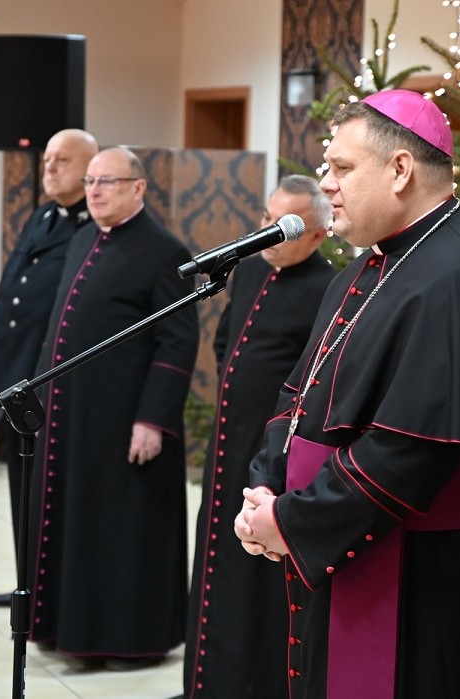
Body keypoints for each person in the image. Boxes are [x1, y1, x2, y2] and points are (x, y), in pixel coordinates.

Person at [233, 89, 460, 699]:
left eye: (342, 167)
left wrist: (292, 519)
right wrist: (266, 486)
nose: (326, 183)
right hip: (349, 540)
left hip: (424, 575)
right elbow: (298, 390)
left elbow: (410, 451)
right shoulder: (368, 268)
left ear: (401, 169)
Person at [25, 146, 200, 668]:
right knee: (75, 523)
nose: (94, 191)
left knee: (119, 531)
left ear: (138, 188)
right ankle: (68, 630)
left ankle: (128, 641)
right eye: (90, 182)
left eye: (108, 181)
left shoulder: (164, 251)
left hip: (124, 420)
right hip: (73, 417)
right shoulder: (83, 239)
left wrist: (152, 419)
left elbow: (177, 343)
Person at [179, 176, 337, 699]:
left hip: (277, 459)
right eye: (268, 219)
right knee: (215, 564)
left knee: (255, 582)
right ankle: (207, 683)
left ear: (317, 235)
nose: (269, 233)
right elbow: (226, 343)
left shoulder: (328, 287)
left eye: (285, 226)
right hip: (228, 443)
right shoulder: (248, 270)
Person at [0, 128, 98, 608]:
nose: (49, 167)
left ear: (90, 169)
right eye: (47, 159)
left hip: (51, 379)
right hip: (17, 374)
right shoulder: (43, 216)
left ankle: (49, 593)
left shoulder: (92, 228)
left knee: (49, 490)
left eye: (62, 160)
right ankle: (26, 583)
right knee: (21, 485)